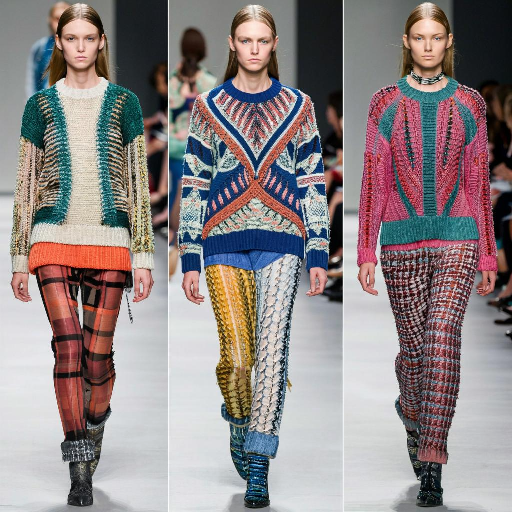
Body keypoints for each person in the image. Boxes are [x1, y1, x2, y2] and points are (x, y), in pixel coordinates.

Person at [178, 4, 329, 508]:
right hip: (221, 241)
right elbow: (194, 181)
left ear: (274, 44)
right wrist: (190, 255)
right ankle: (239, 419)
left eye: (263, 40)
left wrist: (318, 250)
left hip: (283, 239)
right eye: (246, 40)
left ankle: (259, 463)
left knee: (271, 352)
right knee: (239, 359)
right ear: (232, 44)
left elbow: (312, 179)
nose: (254, 49)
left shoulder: (299, 106)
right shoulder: (208, 106)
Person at [10, 3, 154, 507]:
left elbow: (138, 181)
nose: (79, 46)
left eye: (88, 38)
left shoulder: (125, 103)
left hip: (111, 240)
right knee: (68, 346)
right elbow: (25, 184)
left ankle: (94, 422)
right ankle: (78, 463)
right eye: (70, 38)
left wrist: (143, 255)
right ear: (59, 43)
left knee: (97, 360)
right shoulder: (39, 106)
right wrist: (18, 257)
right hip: (51, 235)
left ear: (100, 43)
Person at [357, 2, 497, 507]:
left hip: (459, 235)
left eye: (437, 37)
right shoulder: (385, 102)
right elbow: (374, 177)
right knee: (414, 354)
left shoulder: (471, 103)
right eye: (420, 37)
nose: (429, 45)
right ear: (407, 42)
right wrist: (365, 249)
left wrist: (487, 254)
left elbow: (478, 180)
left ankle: (432, 461)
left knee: (442, 338)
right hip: (400, 241)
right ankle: (413, 414)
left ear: (449, 42)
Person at [168, 28, 216, 277]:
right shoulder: (210, 82)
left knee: (178, 191)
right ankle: (190, 246)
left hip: (176, 149)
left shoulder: (172, 82)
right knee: (195, 195)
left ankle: (176, 244)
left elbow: (167, 118)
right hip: (200, 150)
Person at [26, 2, 70, 97]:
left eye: (65, 19)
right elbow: (32, 82)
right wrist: (32, 103)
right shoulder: (40, 48)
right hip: (44, 102)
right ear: (50, 20)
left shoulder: (80, 48)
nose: (60, 23)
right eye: (57, 19)